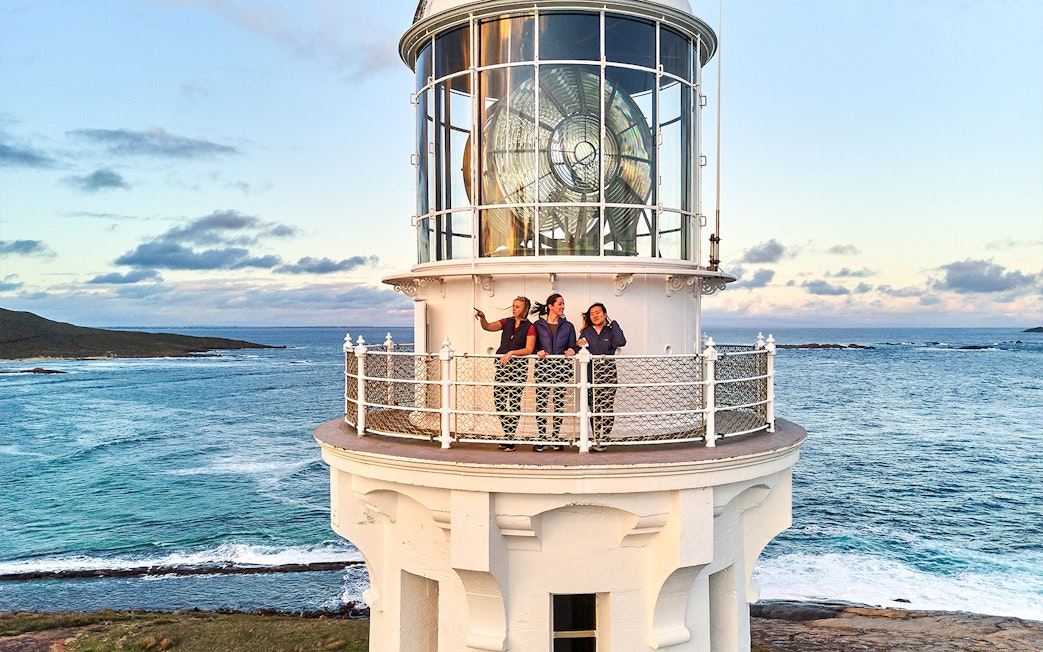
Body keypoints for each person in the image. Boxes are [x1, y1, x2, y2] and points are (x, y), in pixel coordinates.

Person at [476, 297, 535, 452]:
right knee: (499, 400)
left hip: (519, 367)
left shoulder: (530, 327)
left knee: (514, 401)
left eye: (517, 306)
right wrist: (483, 318)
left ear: (525, 309)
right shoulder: (506, 322)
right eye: (513, 306)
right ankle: (508, 433)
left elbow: (529, 349)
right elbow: (488, 327)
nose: (514, 309)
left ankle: (510, 437)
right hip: (502, 366)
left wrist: (512, 352)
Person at [530, 293, 577, 451]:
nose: (563, 306)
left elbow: (573, 346)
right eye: (560, 304)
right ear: (550, 306)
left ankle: (556, 437)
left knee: (558, 403)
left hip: (561, 369)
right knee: (541, 404)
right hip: (543, 368)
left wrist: (572, 350)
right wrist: (538, 352)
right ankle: (542, 438)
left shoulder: (568, 326)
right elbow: (532, 345)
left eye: (563, 304)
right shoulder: (537, 325)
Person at [578, 302, 626, 452]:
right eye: (592, 314)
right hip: (590, 376)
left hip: (608, 375)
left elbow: (621, 342)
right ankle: (596, 437)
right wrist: (578, 343)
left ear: (605, 314)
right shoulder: (586, 332)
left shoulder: (611, 331)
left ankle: (604, 437)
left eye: (598, 312)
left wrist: (614, 324)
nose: (595, 316)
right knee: (593, 408)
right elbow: (578, 346)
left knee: (606, 407)